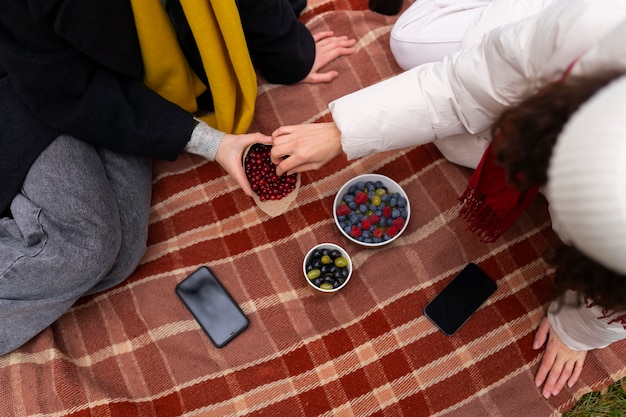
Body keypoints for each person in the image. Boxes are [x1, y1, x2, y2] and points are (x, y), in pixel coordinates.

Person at [268, 0, 626, 400]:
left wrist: (579, 330)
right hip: (549, 38)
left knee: (455, 140)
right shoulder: (592, 29)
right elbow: (464, 87)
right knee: (409, 42)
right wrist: (342, 132)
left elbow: (615, 293)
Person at [0, 0, 355, 356]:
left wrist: (290, 52)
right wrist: (211, 143)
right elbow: (59, 86)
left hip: (115, 86)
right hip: (27, 81)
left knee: (121, 258)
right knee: (89, 247)